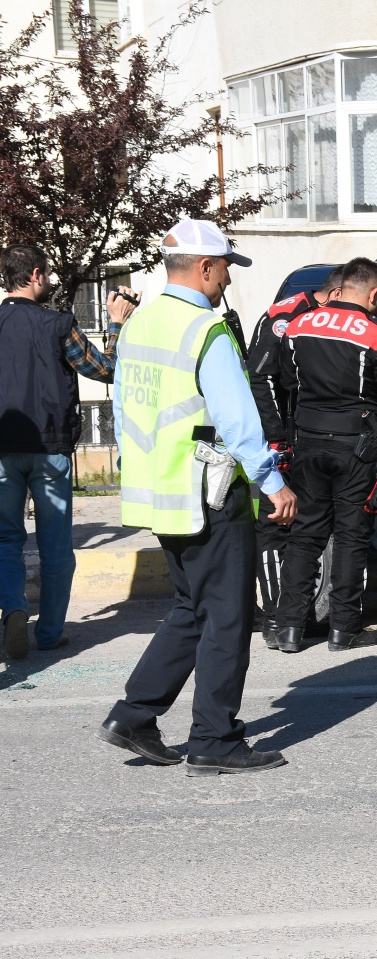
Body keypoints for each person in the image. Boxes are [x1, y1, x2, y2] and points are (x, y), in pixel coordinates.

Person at [98, 218, 297, 776]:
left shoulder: (136, 326)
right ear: (205, 267)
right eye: (226, 268)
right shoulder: (203, 329)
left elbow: (123, 411)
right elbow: (237, 418)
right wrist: (272, 480)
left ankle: (135, 714)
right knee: (229, 616)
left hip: (161, 491)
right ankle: (215, 739)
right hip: (208, 493)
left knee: (192, 608)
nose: (228, 281)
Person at [0, 245, 139, 660]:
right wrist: (115, 325)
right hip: (51, 447)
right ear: (37, 274)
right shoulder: (59, 325)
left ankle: (14, 608)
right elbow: (105, 368)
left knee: (6, 538)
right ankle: (49, 632)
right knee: (55, 545)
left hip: (3, 449)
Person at [274, 258, 377, 653]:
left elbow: (286, 381)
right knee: (351, 538)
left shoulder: (298, 325)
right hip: (356, 447)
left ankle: (289, 628)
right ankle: (343, 629)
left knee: (304, 536)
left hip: (308, 443)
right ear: (373, 294)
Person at [246, 266, 345, 649]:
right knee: (275, 525)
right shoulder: (287, 317)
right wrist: (277, 439)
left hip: (305, 435)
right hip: (277, 435)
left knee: (302, 525)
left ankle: (296, 615)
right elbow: (260, 377)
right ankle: (276, 619)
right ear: (335, 295)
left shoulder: (314, 315)